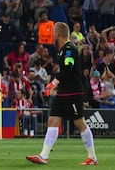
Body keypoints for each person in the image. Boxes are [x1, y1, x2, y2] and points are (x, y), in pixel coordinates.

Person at [26, 22, 98, 165]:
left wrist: (54, 82)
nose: (52, 35)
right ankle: (44, 156)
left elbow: (68, 67)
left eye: (53, 32)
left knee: (79, 123)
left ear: (58, 34)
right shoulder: (62, 50)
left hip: (72, 92)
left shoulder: (69, 48)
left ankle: (93, 157)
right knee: (52, 121)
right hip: (64, 92)